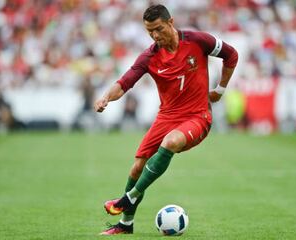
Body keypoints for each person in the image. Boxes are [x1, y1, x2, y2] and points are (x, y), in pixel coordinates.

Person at [94, 4, 238, 235]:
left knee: (170, 142)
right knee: (136, 168)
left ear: (171, 22)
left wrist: (220, 90)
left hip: (197, 116)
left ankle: (128, 198)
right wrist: (105, 98)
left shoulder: (198, 41)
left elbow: (231, 55)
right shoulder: (150, 56)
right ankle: (125, 224)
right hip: (166, 117)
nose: (155, 35)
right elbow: (124, 83)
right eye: (150, 31)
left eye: (159, 29)